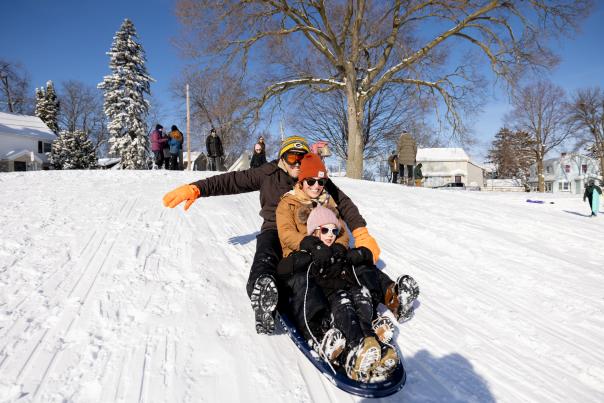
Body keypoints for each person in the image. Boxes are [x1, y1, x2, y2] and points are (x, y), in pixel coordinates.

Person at [162, 136, 381, 335]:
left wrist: (360, 232)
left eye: (302, 158)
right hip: (274, 229)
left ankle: (355, 297)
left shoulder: (311, 177)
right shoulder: (267, 173)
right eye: (292, 157)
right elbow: (230, 181)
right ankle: (264, 293)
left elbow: (343, 203)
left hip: (307, 232)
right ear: (283, 158)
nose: (297, 163)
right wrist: (196, 189)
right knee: (266, 254)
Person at [275, 153, 415, 381]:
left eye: (321, 181)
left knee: (357, 269)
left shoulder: (328, 201)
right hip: (301, 260)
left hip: (330, 258)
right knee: (313, 287)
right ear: (301, 181)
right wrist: (309, 244)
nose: (317, 186)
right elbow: (286, 233)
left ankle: (389, 299)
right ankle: (324, 334)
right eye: (311, 181)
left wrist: (340, 248)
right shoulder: (287, 203)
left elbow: (339, 230)